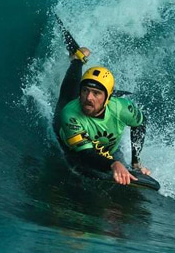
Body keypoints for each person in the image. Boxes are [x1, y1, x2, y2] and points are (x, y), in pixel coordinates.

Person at [53, 47, 152, 185]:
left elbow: (139, 124)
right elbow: (85, 153)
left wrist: (136, 163)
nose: (88, 97)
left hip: (108, 150)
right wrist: (113, 164)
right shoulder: (69, 114)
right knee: (69, 91)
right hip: (76, 149)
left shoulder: (122, 108)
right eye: (85, 90)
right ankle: (77, 60)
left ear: (108, 97)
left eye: (96, 93)